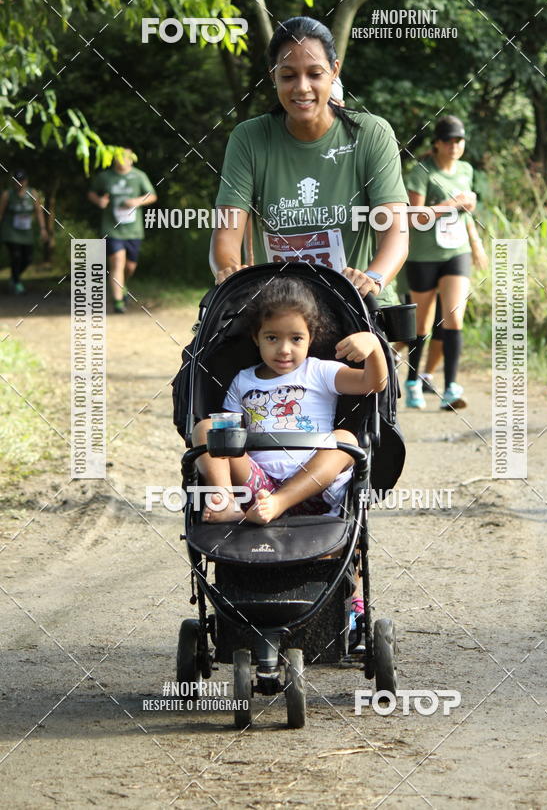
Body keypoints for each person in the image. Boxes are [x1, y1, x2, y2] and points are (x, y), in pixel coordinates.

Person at [209, 16, 409, 304]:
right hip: (277, 311)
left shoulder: (372, 134)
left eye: (314, 74)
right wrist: (231, 272)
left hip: (357, 305)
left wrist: (373, 278)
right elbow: (226, 233)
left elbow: (395, 232)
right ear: (273, 76)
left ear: (334, 71)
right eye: (288, 76)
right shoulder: (248, 138)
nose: (302, 87)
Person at [192, 277, 387, 525]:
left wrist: (374, 346)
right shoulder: (242, 381)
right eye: (272, 338)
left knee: (346, 440)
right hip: (257, 485)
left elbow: (373, 384)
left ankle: (279, 503)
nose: (284, 349)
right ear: (256, 338)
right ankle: (225, 500)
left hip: (312, 485)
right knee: (208, 429)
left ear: (310, 338)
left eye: (296, 339)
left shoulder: (320, 371)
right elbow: (228, 437)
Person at [403, 115, 477, 410]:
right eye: (448, 140)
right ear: (436, 143)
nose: (454, 146)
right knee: (422, 325)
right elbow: (414, 216)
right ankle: (412, 381)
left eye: (459, 140)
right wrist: (451, 204)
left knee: (453, 317)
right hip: (423, 256)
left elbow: (465, 214)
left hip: (457, 252)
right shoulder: (422, 172)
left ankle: (451, 387)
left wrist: (476, 244)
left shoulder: (466, 170)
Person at [87, 148, 157, 313]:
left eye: (126, 158)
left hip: (133, 230)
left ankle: (122, 285)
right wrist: (99, 201)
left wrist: (136, 201)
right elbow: (91, 193)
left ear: (131, 160)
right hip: (112, 228)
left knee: (130, 267)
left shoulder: (139, 176)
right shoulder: (105, 177)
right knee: (117, 262)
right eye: (119, 158)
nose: (122, 161)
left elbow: (152, 195)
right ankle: (118, 302)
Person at [0, 170, 48, 294]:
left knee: (28, 258)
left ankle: (14, 277)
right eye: (17, 181)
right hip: (10, 231)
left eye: (22, 181)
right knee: (16, 256)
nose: (19, 183)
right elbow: (1, 213)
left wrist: (43, 229)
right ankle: (16, 283)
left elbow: (39, 212)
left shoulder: (33, 193)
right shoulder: (7, 194)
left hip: (26, 232)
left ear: (26, 181)